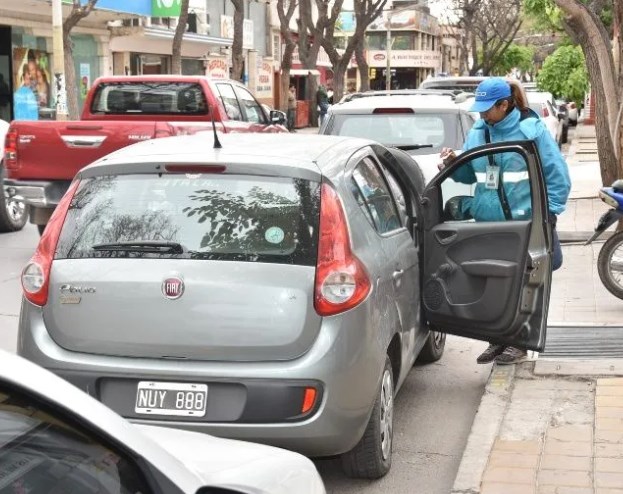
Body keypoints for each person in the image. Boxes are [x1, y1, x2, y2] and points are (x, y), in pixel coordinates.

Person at [439, 77, 571, 365]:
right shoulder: (477, 133)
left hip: (526, 224)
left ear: (505, 104)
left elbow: (557, 176)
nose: (482, 114)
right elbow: (469, 176)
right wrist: (453, 164)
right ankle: (497, 340)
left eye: (488, 109)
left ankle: (520, 343)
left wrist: (549, 214)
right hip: (490, 224)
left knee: (528, 282)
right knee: (495, 284)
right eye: (480, 109)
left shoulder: (530, 131)